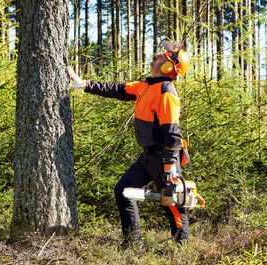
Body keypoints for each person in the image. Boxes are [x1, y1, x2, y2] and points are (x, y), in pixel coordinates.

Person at [69, 41, 190, 247]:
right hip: (148, 156)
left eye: (163, 57)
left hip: (163, 157)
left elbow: (172, 132)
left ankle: (182, 249)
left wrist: (170, 164)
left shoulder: (166, 92)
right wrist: (85, 84)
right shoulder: (145, 86)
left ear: (169, 67)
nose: (157, 57)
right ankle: (132, 242)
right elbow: (116, 89)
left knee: (173, 203)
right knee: (123, 189)